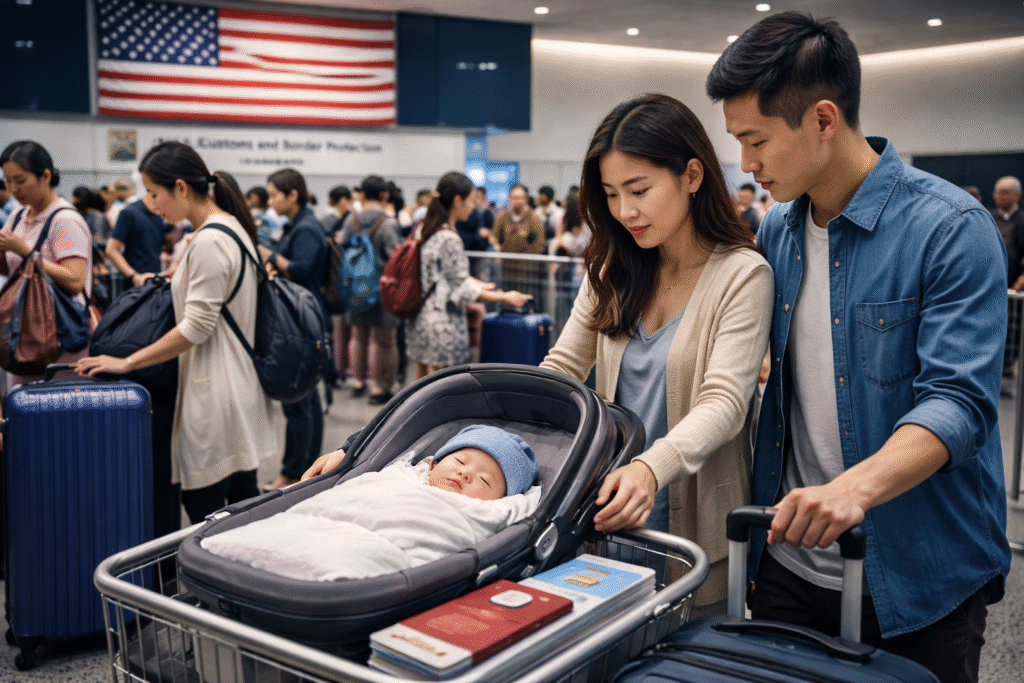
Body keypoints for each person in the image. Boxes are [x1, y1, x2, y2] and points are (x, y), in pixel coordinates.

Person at [706, 13, 1011, 682]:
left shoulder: (950, 230)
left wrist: (852, 489)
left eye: (755, 140)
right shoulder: (779, 230)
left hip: (918, 570)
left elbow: (958, 403)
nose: (746, 164)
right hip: (789, 557)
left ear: (822, 119)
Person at [538, 94, 773, 614]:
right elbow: (560, 371)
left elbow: (725, 403)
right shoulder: (612, 269)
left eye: (639, 190)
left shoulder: (742, 274)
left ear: (692, 175)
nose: (625, 212)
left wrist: (649, 469)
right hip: (607, 520)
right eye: (611, 195)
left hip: (695, 535)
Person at [75, 141, 275, 525]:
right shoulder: (231, 229)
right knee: (241, 507)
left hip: (214, 392)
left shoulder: (209, 239)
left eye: (154, 193)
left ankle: (221, 583)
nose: (152, 204)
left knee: (207, 509)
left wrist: (126, 361)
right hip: (235, 387)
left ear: (181, 187)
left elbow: (196, 328)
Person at [202, 425, 540, 582]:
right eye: (461, 461)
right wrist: (351, 449)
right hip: (331, 517)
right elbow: (382, 443)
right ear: (433, 463)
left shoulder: (495, 510)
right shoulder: (402, 473)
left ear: (503, 499)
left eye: (484, 480)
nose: (467, 475)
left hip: (403, 541)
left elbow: (533, 503)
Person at [407, 172, 530, 380]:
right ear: (457, 201)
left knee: (419, 388)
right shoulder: (448, 238)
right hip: (443, 324)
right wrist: (504, 296)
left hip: (421, 318)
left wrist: (482, 285)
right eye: (471, 200)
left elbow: (445, 276)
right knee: (442, 390)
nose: (473, 206)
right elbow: (461, 287)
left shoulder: (425, 229)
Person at [0, 141, 93, 386]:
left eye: (20, 181)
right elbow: (10, 269)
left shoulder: (64, 220)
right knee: (22, 409)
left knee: (56, 416)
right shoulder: (18, 216)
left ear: (45, 176)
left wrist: (28, 253)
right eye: (8, 181)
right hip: (25, 332)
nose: (13, 189)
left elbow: (74, 280)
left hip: (59, 336)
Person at [260, 168, 328, 492]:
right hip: (302, 318)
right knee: (306, 399)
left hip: (303, 321)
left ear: (293, 194)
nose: (270, 201)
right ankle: (305, 468)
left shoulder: (307, 229)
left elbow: (300, 269)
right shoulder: (297, 225)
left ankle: (293, 472)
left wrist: (268, 254)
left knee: (298, 399)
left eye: (274, 194)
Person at [338, 174, 402, 404]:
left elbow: (343, 248)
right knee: (385, 341)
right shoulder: (389, 223)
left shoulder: (350, 221)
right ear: (384, 195)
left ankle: (358, 381)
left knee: (358, 336)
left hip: (357, 288)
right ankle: (381, 386)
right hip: (383, 289)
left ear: (362, 195)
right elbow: (395, 255)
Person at [492, 184, 547, 307]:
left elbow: (540, 243)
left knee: (527, 301)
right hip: (507, 269)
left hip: (527, 270)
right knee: (508, 301)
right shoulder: (502, 217)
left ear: (526, 199)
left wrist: (527, 256)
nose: (517, 200)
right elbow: (494, 237)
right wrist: (498, 249)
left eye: (520, 197)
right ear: (510, 199)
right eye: (514, 197)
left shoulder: (534, 218)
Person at [105, 191, 171, 287]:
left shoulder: (158, 215)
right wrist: (133, 275)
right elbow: (111, 249)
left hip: (155, 279)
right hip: (136, 284)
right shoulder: (129, 213)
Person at [992, 176, 1024, 288]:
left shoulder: (1022, 219)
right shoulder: (988, 218)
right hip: (991, 283)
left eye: (1005, 192)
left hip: (1016, 286)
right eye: (998, 192)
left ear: (1018, 195)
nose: (1001, 196)